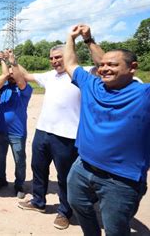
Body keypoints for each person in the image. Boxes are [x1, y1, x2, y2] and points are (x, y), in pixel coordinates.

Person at [64, 25, 150, 236]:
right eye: (102, 65)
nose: (104, 69)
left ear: (132, 68)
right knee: (77, 204)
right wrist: (73, 38)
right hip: (82, 166)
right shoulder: (91, 85)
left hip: (121, 180)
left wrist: (90, 40)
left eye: (113, 65)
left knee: (115, 229)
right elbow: (70, 63)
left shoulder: (145, 93)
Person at [17, 40, 102, 230]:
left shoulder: (83, 72)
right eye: (51, 58)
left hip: (67, 135)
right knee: (38, 168)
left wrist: (89, 40)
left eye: (58, 57)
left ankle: (65, 212)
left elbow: (102, 64)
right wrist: (13, 62)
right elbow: (26, 75)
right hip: (43, 131)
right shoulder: (50, 76)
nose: (54, 61)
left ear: (69, 56)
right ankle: (38, 201)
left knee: (65, 176)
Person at [0, 50, 32, 199]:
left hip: (17, 132)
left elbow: (21, 79)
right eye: (9, 74)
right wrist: (1, 61)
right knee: (0, 158)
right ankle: (1, 180)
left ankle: (19, 184)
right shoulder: (4, 87)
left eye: (13, 73)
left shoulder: (25, 89)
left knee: (19, 160)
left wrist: (13, 62)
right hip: (0, 130)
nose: (11, 75)